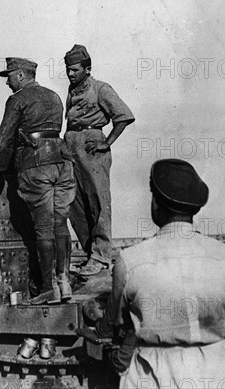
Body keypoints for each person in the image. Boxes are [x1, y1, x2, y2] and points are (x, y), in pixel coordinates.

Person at [107, 159, 225, 388]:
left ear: (156, 203)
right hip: (221, 369)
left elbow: (118, 321)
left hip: (155, 372)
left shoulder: (130, 260)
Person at [0, 57, 76, 305]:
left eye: (9, 76)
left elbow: (3, 139)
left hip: (35, 166)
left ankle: (48, 288)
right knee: (60, 223)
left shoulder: (17, 99)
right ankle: (64, 281)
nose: (7, 82)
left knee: (43, 226)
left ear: (20, 75)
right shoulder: (54, 96)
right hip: (62, 163)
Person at [63, 44, 135, 276]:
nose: (70, 74)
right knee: (75, 204)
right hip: (71, 144)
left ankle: (101, 256)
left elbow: (123, 116)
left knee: (98, 202)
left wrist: (107, 142)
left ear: (87, 68)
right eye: (68, 70)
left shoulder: (101, 88)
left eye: (75, 69)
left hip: (92, 145)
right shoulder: (72, 90)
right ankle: (89, 255)